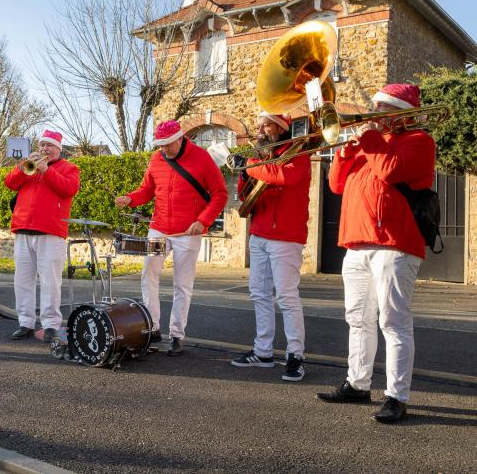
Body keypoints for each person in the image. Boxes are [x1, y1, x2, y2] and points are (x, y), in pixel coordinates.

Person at [316, 83, 436, 424]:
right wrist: (343, 152)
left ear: (401, 114)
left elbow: (391, 171)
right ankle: (357, 383)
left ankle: (397, 396)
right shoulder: (369, 147)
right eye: (375, 107)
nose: (374, 114)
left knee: (393, 322)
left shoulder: (419, 142)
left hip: (394, 244)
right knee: (357, 319)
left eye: (383, 108)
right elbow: (337, 185)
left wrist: (368, 140)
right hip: (355, 243)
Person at [115, 120, 227, 356]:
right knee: (149, 274)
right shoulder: (157, 158)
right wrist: (131, 199)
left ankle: (177, 335)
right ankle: (152, 327)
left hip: (188, 232)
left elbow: (220, 194)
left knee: (182, 285)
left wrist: (203, 220)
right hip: (159, 228)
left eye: (167, 144)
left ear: (180, 138)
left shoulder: (202, 158)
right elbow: (146, 190)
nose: (164, 149)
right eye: (160, 145)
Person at [230, 112, 310, 381]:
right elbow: (244, 194)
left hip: (286, 235)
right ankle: (263, 351)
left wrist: (249, 163)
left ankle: (295, 355)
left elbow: (284, 178)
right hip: (260, 231)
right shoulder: (261, 157)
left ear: (280, 127)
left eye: (265, 125)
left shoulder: (299, 151)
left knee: (287, 297)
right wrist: (244, 171)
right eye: (259, 124)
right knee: (259, 294)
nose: (260, 129)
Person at [4, 130, 80, 343]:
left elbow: (69, 189)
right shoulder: (29, 165)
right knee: (22, 280)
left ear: (59, 149)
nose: (45, 149)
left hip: (51, 232)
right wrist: (22, 168)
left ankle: (50, 325)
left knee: (50, 282)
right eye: (42, 145)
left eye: (49, 146)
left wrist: (47, 171)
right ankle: (25, 322)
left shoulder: (69, 168)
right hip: (23, 229)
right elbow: (9, 183)